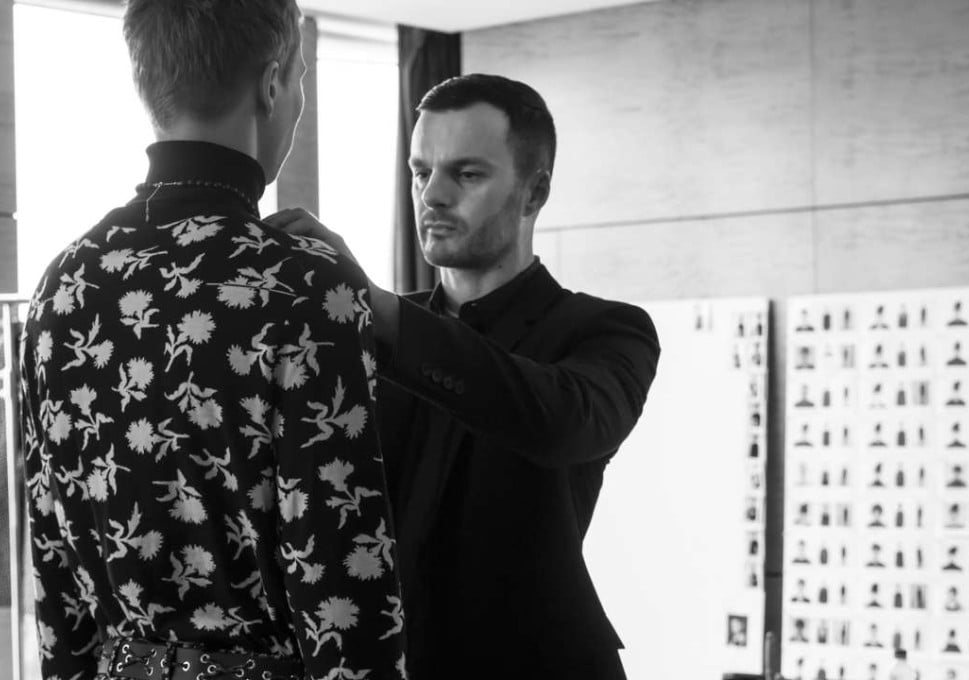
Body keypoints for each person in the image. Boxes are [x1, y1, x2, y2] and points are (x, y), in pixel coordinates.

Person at [17, 2, 406, 678]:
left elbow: (54, 573)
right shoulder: (302, 285)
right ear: (274, 80)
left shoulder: (66, 281)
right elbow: (343, 576)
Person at [267, 74, 660, 679]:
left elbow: (559, 421)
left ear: (535, 192)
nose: (432, 196)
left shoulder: (608, 331)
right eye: (422, 172)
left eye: (466, 175)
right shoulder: (368, 331)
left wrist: (378, 308)